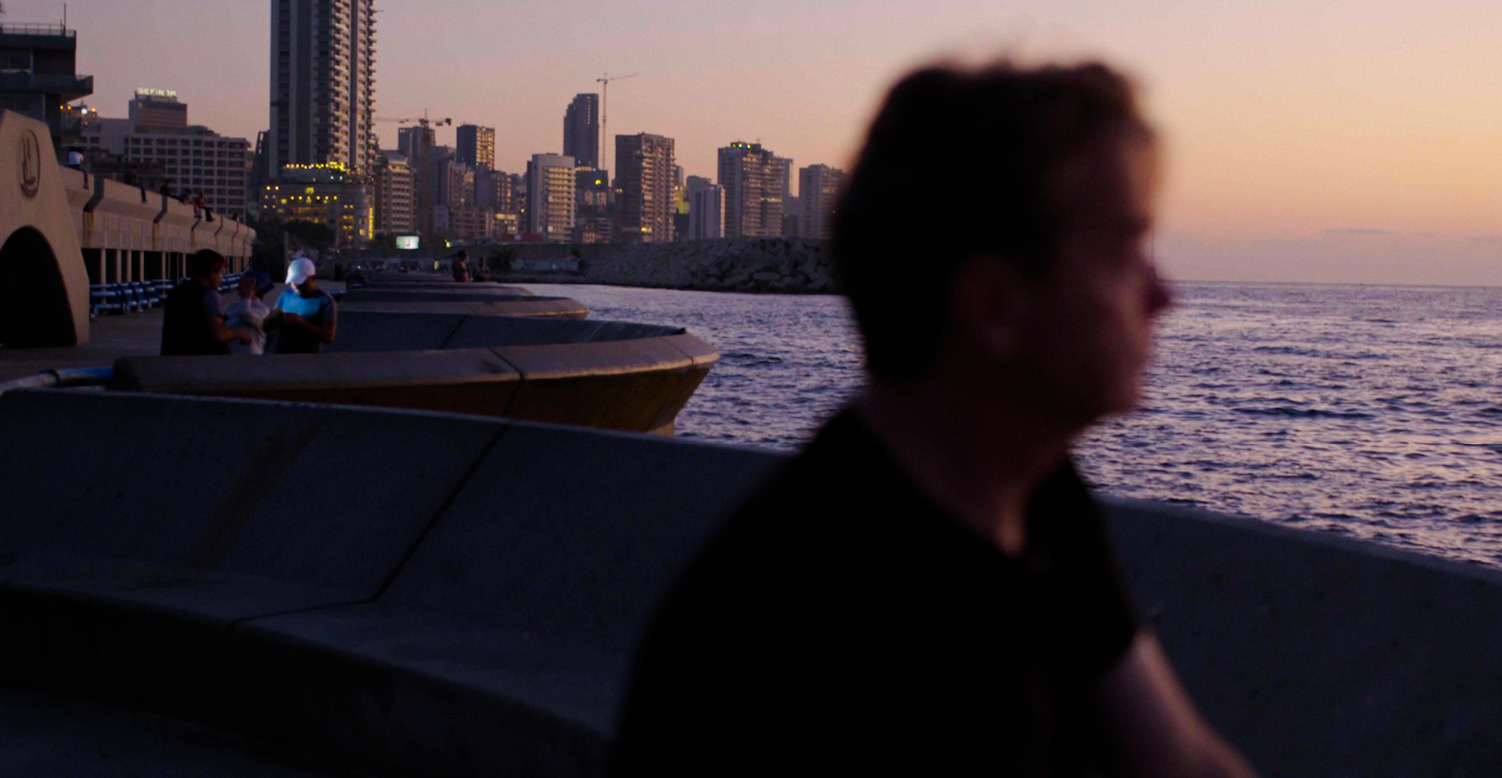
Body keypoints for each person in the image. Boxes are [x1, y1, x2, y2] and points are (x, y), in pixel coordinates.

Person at [612, 61, 1259, 777]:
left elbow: (1178, 759)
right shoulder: (819, 633)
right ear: (993, 307)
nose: (1165, 294)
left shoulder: (1034, 494)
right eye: (1123, 252)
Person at [160, 250, 251, 356]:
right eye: (221, 273)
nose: (221, 278)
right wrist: (240, 333)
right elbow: (219, 335)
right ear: (212, 273)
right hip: (203, 362)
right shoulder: (210, 295)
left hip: (174, 360)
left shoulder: (176, 292)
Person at [269, 256, 337, 354]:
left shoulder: (325, 300)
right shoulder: (286, 295)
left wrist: (301, 323)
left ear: (313, 278)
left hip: (308, 357)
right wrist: (274, 318)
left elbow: (329, 337)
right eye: (293, 281)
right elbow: (269, 326)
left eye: (301, 281)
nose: (296, 285)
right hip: (282, 355)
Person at [225, 271, 273, 355]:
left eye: (245, 282)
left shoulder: (262, 310)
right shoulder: (232, 307)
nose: (239, 285)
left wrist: (248, 295)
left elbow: (245, 314)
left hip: (252, 358)